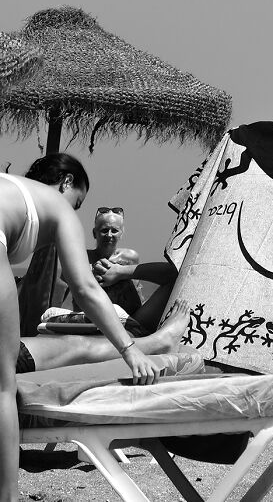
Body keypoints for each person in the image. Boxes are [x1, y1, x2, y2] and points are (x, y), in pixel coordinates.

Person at [0, 155, 166, 502]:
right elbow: (85, 288)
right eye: (79, 202)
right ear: (66, 183)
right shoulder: (57, 207)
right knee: (3, 384)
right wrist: (130, 349)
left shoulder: (8, 187)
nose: (73, 210)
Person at [68, 206, 143, 316]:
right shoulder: (82, 258)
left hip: (127, 319)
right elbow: (62, 288)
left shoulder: (130, 257)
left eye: (114, 231)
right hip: (90, 319)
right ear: (94, 233)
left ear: (122, 233)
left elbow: (138, 293)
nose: (109, 235)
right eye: (104, 230)